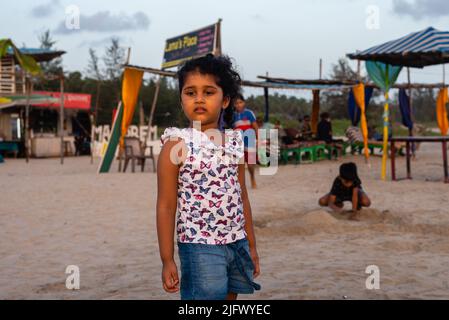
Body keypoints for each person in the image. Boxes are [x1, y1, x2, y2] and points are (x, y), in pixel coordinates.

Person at [156, 54, 261, 301]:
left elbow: (242, 198)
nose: (199, 99)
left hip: (237, 242)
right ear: (181, 99)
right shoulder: (175, 145)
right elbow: (166, 205)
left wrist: (252, 247)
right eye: (190, 92)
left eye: (208, 92)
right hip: (199, 244)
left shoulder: (235, 143)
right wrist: (167, 259)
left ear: (225, 100)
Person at [233, 94, 259, 189]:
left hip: (250, 140)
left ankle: (252, 178)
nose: (239, 105)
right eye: (236, 103)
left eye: (240, 102)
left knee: (251, 164)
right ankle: (241, 184)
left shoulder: (249, 113)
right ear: (234, 104)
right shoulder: (233, 115)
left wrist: (258, 139)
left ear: (244, 103)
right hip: (238, 143)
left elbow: (255, 127)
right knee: (240, 165)